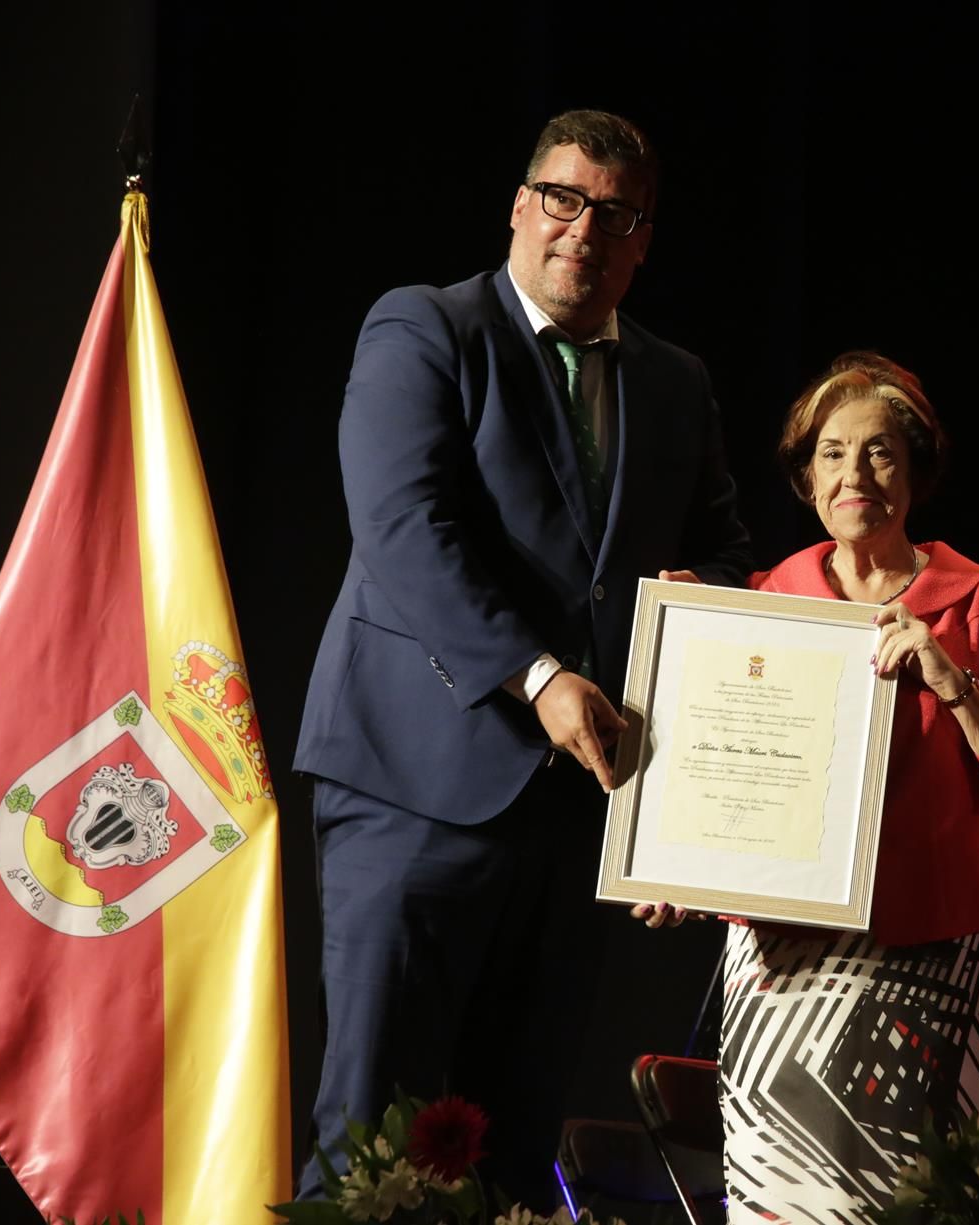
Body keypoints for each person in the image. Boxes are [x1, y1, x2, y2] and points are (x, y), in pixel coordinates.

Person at [292, 109, 752, 1205]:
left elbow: (725, 559)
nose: (584, 229)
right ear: (520, 204)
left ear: (644, 239)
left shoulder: (676, 381)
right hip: (414, 789)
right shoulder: (424, 329)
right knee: (373, 1139)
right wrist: (538, 678)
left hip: (574, 821)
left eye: (617, 213)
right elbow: (405, 529)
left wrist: (710, 605)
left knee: (511, 1145)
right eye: (564, 197)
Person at [633, 352, 979, 1222]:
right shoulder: (766, 597)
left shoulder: (976, 595)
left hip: (925, 951)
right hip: (784, 960)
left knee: (915, 1204)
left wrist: (951, 679)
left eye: (878, 452)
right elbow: (728, 776)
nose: (853, 475)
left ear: (913, 469)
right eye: (831, 453)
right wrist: (674, 869)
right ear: (806, 475)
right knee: (778, 1199)